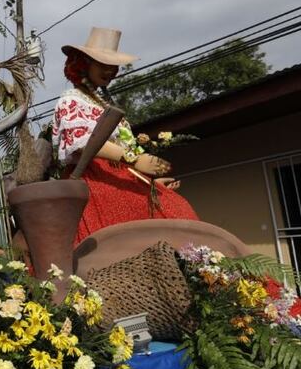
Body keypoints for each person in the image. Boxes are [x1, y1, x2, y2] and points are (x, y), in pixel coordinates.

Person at [53, 27, 199, 245]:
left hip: (116, 177)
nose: (110, 71)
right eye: (103, 64)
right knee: (171, 212)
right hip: (93, 180)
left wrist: (149, 182)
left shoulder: (101, 101)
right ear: (84, 64)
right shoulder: (71, 100)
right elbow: (82, 143)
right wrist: (136, 160)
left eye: (113, 66)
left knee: (176, 206)